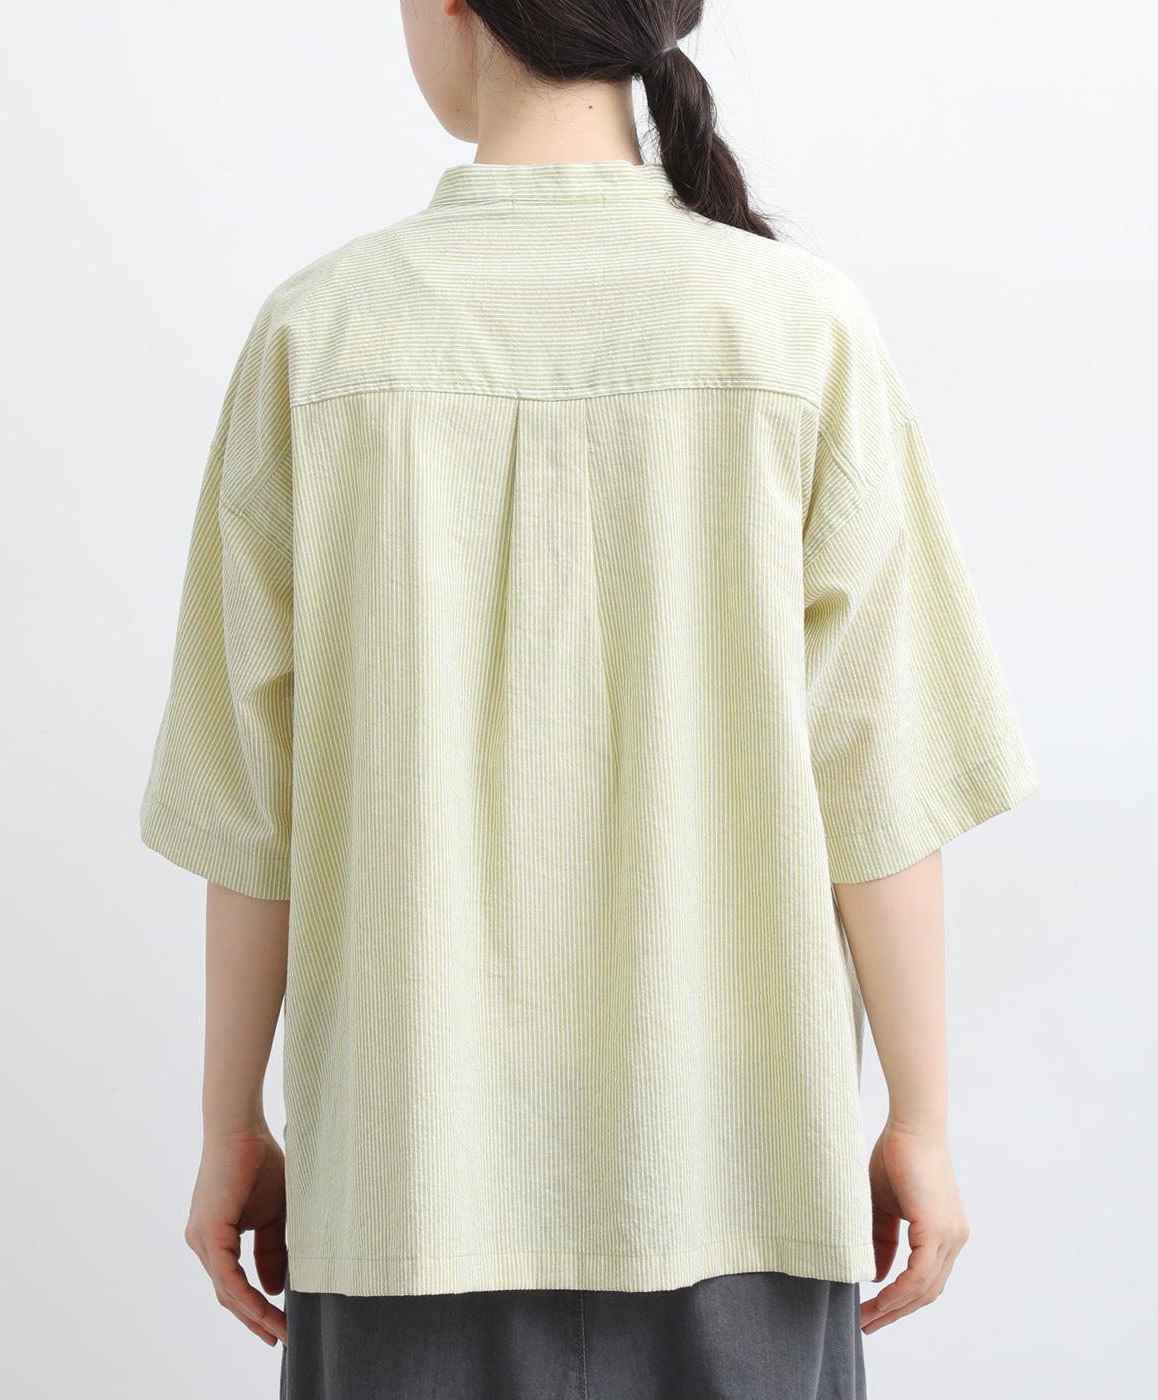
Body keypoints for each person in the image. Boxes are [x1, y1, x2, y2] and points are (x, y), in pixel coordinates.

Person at [138, 2, 1040, 1396]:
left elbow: (251, 808)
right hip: (736, 1176)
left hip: (403, 1186)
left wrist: (227, 1127)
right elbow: (883, 774)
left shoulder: (318, 337)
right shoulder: (798, 325)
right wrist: (919, 1119)